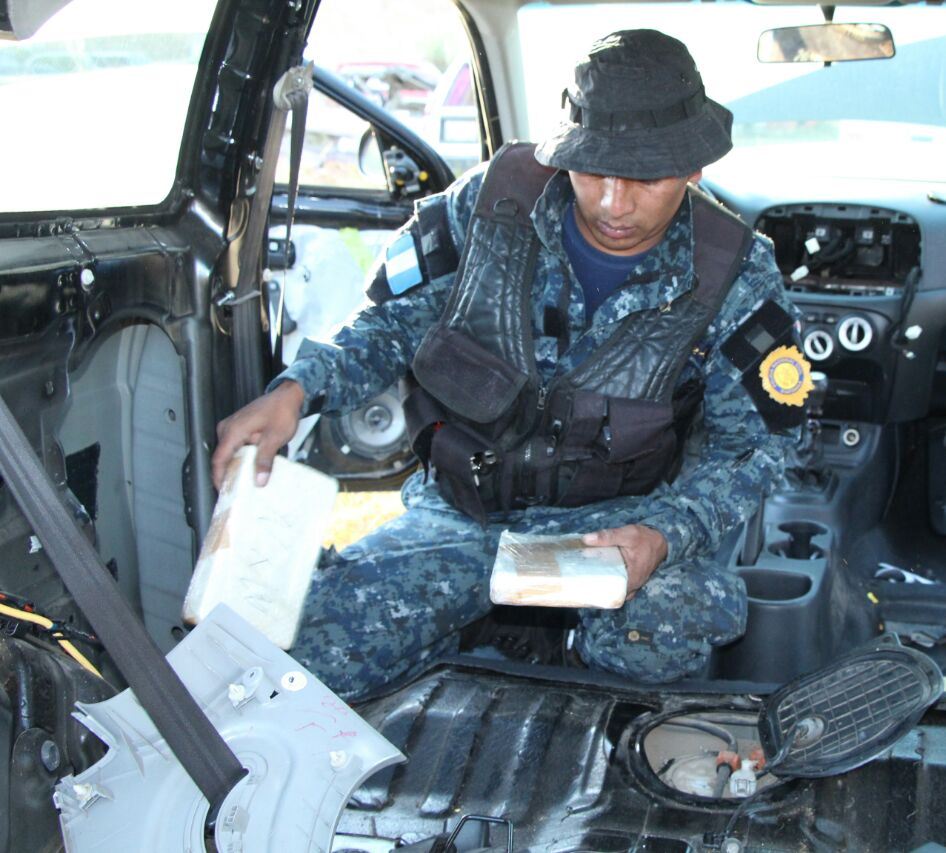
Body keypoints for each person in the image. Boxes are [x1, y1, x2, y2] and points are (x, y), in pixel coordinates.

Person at [212, 29, 809, 699]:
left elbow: (757, 450)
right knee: (296, 667)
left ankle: (564, 663)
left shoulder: (733, 272)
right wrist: (298, 390)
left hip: (612, 535)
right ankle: (467, 628)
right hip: (460, 521)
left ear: (694, 167)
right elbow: (391, 324)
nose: (613, 204)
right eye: (592, 170)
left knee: (662, 627)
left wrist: (663, 535)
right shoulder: (489, 208)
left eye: (645, 179)